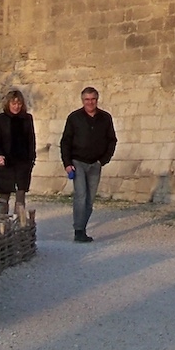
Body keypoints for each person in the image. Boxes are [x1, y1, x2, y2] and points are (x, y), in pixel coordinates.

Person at [59, 86, 115, 243]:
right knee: (81, 196)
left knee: (90, 199)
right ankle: (78, 230)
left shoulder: (105, 118)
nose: (90, 102)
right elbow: (65, 141)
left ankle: (82, 228)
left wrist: (103, 160)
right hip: (78, 162)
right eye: (87, 99)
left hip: (95, 164)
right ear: (82, 101)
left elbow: (112, 140)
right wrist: (67, 163)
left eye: (93, 99)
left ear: (97, 100)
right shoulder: (74, 118)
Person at [0, 89, 37, 218]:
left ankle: (19, 226)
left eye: (19, 104)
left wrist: (31, 159)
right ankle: (1, 225)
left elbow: (31, 140)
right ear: (8, 104)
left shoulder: (27, 119)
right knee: (4, 197)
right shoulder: (0, 119)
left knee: (20, 196)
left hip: (22, 162)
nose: (16, 106)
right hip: (5, 162)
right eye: (14, 103)